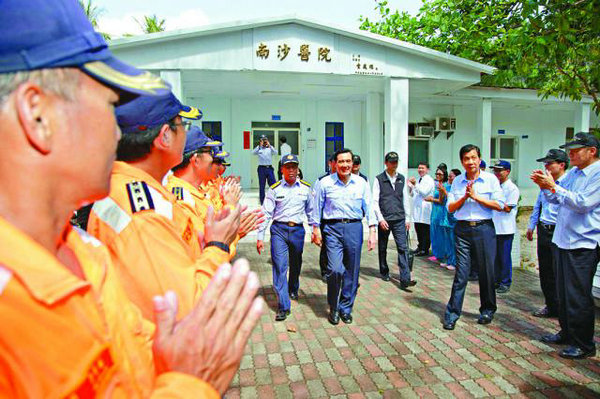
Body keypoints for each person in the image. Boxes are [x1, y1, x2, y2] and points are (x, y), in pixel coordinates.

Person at [0, 0, 263, 396]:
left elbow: (138, 356)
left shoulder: (81, 251)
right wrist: (191, 384)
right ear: (38, 115)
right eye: (109, 105)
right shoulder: (13, 306)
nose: (117, 131)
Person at [87, 91, 241, 319]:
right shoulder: (143, 211)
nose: (185, 135)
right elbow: (185, 308)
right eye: (182, 125)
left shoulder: (138, 190)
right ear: (165, 136)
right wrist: (218, 245)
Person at [532, 132, 600, 359]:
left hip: (583, 243)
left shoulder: (597, 174)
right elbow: (555, 198)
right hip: (563, 240)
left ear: (592, 151)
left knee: (578, 295)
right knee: (562, 291)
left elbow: (582, 203)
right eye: (569, 149)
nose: (571, 153)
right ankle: (567, 332)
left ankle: (584, 343)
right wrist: (545, 186)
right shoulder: (573, 173)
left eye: (576, 149)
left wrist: (554, 187)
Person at [311, 148, 377, 325]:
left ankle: (345, 308)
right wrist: (315, 229)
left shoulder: (361, 183)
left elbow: (369, 206)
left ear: (352, 163)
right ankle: (333, 306)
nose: (345, 165)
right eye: (341, 162)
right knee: (334, 269)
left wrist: (372, 231)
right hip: (332, 229)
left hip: (354, 228)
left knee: (352, 271)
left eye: (348, 161)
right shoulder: (325, 183)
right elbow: (316, 208)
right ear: (334, 164)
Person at [442, 144, 504, 330]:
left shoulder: (491, 180)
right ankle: (452, 313)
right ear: (462, 161)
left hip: (484, 229)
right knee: (461, 273)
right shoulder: (458, 181)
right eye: (466, 158)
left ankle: (487, 309)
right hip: (462, 230)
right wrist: (465, 198)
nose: (470, 162)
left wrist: (476, 198)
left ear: (479, 159)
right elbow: (450, 208)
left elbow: (500, 204)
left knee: (487, 272)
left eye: (473, 157)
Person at [257, 154, 313, 321]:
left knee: (296, 263)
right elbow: (266, 213)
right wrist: (260, 236)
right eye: (287, 167)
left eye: (294, 167)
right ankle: (283, 305)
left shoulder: (305, 188)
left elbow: (311, 212)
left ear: (297, 169)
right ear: (281, 169)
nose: (291, 170)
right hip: (279, 231)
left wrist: (315, 230)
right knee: (280, 266)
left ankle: (293, 286)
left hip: (297, 231)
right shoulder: (274, 189)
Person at [527, 149, 568, 318]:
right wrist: (531, 225)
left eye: (550, 163)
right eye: (545, 164)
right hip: (544, 230)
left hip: (560, 231)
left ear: (562, 165)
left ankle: (562, 308)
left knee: (559, 272)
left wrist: (551, 187)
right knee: (545, 271)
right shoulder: (545, 184)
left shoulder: (567, 184)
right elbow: (538, 205)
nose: (546, 167)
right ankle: (550, 305)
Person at [372, 151, 416, 287]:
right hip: (385, 219)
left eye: (396, 162)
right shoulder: (379, 179)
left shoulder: (402, 178)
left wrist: (407, 218)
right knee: (383, 247)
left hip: (399, 218)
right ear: (386, 163)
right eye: (391, 162)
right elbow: (374, 201)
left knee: (403, 248)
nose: (394, 164)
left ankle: (405, 278)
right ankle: (384, 271)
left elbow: (406, 199)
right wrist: (380, 219)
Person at [491, 160, 520, 294]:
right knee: (495, 257)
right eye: (495, 170)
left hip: (505, 228)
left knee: (504, 257)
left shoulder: (511, 188)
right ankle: (497, 280)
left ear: (507, 171)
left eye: (499, 170)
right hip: (494, 227)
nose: (497, 173)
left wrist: (493, 204)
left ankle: (505, 281)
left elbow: (508, 208)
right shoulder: (495, 186)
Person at [314, 155, 337, 282]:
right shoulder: (321, 180)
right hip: (325, 219)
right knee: (326, 245)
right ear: (330, 163)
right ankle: (325, 271)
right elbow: (316, 202)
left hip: (338, 219)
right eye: (335, 162)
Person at [425, 167, 453, 267]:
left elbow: (441, 201)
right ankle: (436, 254)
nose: (437, 176)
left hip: (441, 211)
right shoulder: (437, 184)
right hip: (435, 210)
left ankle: (442, 255)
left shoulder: (445, 186)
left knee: (441, 235)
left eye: (440, 174)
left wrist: (431, 199)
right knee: (434, 232)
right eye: (436, 174)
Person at [407, 162, 435, 256]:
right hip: (417, 208)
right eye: (419, 168)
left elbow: (424, 192)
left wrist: (415, 185)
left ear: (427, 169)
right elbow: (412, 194)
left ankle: (424, 249)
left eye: (422, 168)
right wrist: (410, 187)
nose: (420, 170)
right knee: (418, 228)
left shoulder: (429, 180)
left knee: (424, 229)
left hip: (425, 208)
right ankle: (420, 246)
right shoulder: (418, 179)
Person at [440, 169, 461, 271]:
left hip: (454, 218)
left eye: (451, 176)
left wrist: (445, 192)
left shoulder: (459, 188)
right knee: (447, 241)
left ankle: (454, 262)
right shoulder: (448, 186)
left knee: (453, 241)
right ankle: (448, 260)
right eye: (448, 176)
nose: (449, 178)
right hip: (446, 216)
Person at [253, 135, 277, 204]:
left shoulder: (269, 148)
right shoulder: (259, 149)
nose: (264, 142)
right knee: (262, 185)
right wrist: (259, 146)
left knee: (273, 184)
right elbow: (253, 152)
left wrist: (270, 145)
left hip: (269, 168)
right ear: (260, 141)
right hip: (261, 169)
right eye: (262, 140)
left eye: (265, 140)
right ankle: (262, 201)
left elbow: (275, 153)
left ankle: (274, 199)